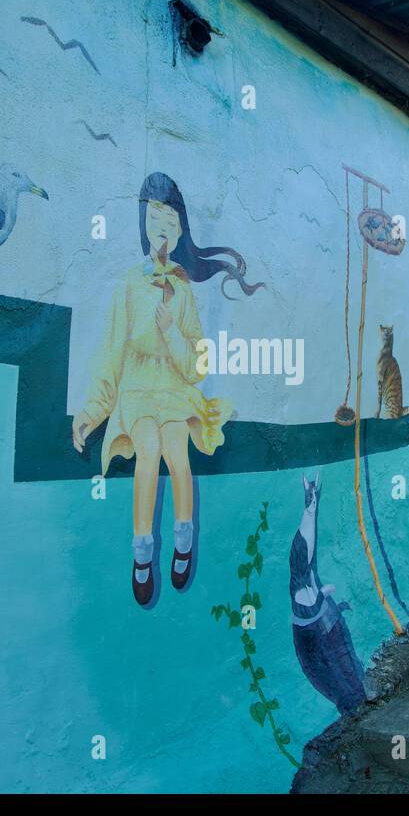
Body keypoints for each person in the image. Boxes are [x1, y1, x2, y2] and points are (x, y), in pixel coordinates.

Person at [72, 173, 262, 607]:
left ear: (180, 231)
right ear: (143, 224)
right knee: (149, 451)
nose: (162, 225)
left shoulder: (182, 291)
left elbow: (197, 362)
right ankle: (142, 552)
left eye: (170, 219)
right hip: (138, 390)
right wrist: (91, 411)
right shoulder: (127, 285)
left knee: (177, 451)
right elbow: (110, 352)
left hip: (174, 389)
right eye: (154, 216)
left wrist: (172, 332)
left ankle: (183, 540)